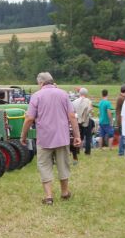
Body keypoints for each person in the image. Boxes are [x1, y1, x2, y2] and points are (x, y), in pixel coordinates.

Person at [20, 72, 80, 205]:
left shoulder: (36, 96)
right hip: (62, 137)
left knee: (44, 165)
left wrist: (23, 135)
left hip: (44, 138)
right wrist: (77, 136)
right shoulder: (63, 94)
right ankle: (65, 192)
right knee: (63, 164)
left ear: (41, 83)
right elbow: (72, 116)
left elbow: (29, 118)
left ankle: (48, 197)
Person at [72, 88, 93, 156]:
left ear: (79, 93)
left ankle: (77, 150)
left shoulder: (74, 102)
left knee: (78, 136)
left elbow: (73, 112)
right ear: (86, 94)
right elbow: (90, 111)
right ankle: (87, 151)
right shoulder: (88, 101)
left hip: (77, 121)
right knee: (88, 137)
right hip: (86, 121)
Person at [115, 84, 125, 156]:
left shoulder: (121, 97)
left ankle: (122, 151)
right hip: (122, 120)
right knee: (123, 136)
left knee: (123, 136)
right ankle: (121, 151)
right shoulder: (122, 98)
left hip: (120, 119)